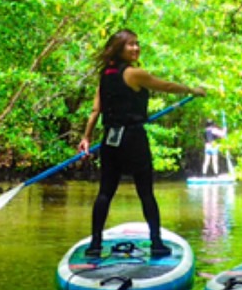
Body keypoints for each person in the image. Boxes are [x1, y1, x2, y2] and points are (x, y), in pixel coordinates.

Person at [78, 29, 208, 258]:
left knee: (105, 192)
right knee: (145, 193)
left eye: (137, 44)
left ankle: (95, 245)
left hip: (110, 139)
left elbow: (96, 110)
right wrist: (192, 90)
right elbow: (166, 86)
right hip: (132, 138)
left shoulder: (104, 74)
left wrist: (86, 137)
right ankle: (157, 244)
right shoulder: (134, 74)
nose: (136, 48)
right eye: (130, 45)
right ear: (119, 48)